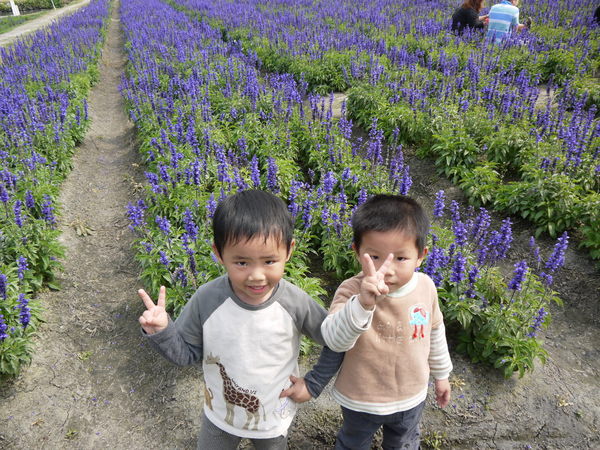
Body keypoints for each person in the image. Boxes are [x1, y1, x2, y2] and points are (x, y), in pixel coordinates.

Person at [137, 189, 341, 450]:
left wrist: (313, 384)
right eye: (242, 263)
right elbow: (185, 355)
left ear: (288, 251)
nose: (256, 276)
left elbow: (335, 339)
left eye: (269, 261)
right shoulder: (207, 299)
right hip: (219, 416)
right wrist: (163, 331)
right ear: (219, 254)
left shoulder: (294, 302)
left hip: (271, 418)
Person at [320, 194, 453, 450]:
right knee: (353, 444)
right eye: (375, 257)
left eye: (400, 258)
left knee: (403, 443)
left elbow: (434, 331)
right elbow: (334, 340)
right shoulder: (351, 290)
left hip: (410, 396)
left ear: (421, 255)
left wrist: (442, 375)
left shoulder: (426, 287)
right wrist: (363, 303)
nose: (386, 270)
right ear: (357, 252)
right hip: (361, 399)